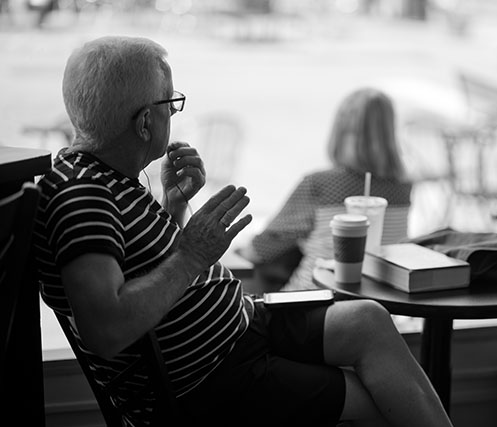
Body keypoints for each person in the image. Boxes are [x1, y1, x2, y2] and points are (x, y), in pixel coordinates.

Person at [33, 36, 452, 427]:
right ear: (145, 122)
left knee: (368, 318)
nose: (172, 114)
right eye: (171, 104)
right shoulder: (82, 198)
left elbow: (142, 268)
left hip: (241, 327)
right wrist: (193, 253)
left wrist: (173, 206)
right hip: (215, 381)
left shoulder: (104, 176)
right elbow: (105, 330)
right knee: (381, 404)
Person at [242, 87, 413, 291]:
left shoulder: (320, 184)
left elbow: (260, 250)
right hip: (377, 300)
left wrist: (240, 252)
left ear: (341, 130)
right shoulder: (404, 187)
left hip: (311, 299)